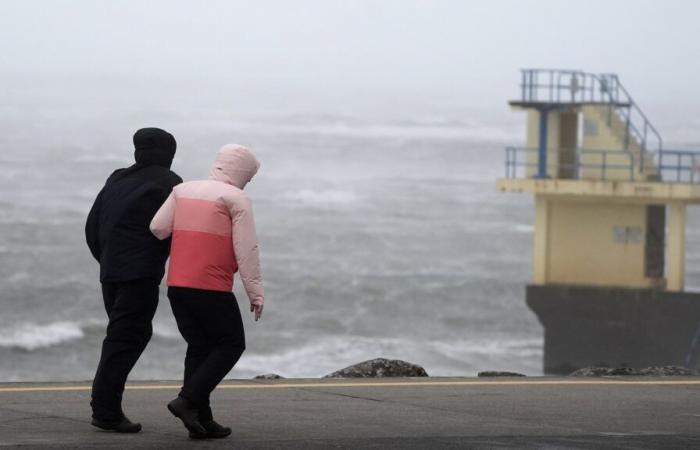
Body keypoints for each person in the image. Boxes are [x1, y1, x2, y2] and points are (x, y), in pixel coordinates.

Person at [150, 144, 264, 439]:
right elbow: (246, 249)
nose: (247, 183)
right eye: (249, 177)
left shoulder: (182, 190)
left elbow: (158, 228)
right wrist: (256, 293)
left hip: (178, 285)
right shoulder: (236, 198)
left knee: (200, 347)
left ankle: (201, 420)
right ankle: (186, 401)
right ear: (241, 172)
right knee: (230, 344)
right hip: (210, 286)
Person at [85, 127, 182, 433]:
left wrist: (109, 260)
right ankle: (105, 411)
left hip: (111, 271)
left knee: (121, 337)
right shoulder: (170, 183)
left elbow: (93, 225)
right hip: (138, 275)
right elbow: (173, 232)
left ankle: (105, 406)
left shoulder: (117, 178)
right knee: (126, 339)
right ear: (169, 154)